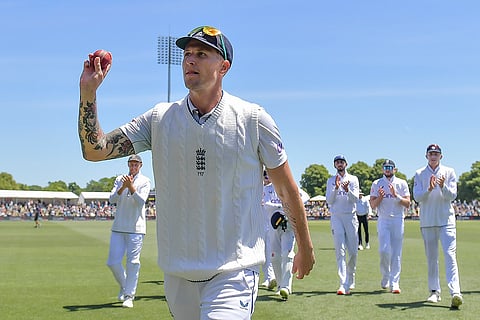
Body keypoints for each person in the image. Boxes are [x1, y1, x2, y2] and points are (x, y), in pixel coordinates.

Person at [78, 25, 315, 319]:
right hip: (178, 273)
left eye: (202, 54)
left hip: (234, 271)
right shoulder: (159, 119)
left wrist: (304, 245)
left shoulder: (254, 119)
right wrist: (88, 92)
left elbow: (286, 188)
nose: (190, 60)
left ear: (224, 66)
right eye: (187, 54)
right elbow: (95, 149)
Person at [413, 144, 463, 309]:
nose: (433, 156)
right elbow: (417, 197)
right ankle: (434, 291)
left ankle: (455, 292)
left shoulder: (449, 172)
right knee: (432, 259)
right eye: (431, 153)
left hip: (446, 220)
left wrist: (442, 186)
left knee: (450, 255)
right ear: (426, 156)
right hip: (428, 222)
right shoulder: (419, 173)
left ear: (441, 156)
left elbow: (452, 196)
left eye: (436, 153)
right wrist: (428, 189)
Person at [107, 154, 151, 308]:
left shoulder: (145, 181)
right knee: (112, 262)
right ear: (128, 165)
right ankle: (125, 285)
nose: (133, 167)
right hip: (119, 227)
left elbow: (140, 202)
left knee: (133, 262)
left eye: (136, 164)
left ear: (140, 165)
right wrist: (123, 187)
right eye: (131, 164)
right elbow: (112, 199)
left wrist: (131, 187)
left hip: (136, 228)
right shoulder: (120, 179)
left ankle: (129, 296)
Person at [369, 159, 410, 294]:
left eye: (390, 167)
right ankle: (386, 275)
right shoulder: (377, 183)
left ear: (395, 169)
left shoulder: (401, 183)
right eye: (385, 167)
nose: (388, 169)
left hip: (398, 219)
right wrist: (380, 197)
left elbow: (407, 203)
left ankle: (395, 282)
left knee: (396, 253)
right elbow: (373, 205)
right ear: (382, 170)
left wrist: (395, 195)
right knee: (384, 251)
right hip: (383, 220)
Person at [326, 155, 360, 295]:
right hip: (336, 217)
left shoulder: (353, 179)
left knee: (352, 251)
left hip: (350, 217)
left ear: (346, 164)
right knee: (339, 250)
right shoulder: (330, 180)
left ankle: (350, 277)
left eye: (341, 162)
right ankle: (343, 283)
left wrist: (347, 190)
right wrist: (336, 188)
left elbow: (355, 199)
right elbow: (329, 200)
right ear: (335, 165)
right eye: (337, 162)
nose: (339, 164)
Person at [262, 171, 296, 300]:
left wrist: (287, 209)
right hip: (273, 226)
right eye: (267, 174)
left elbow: (302, 197)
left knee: (287, 255)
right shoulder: (266, 189)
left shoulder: (287, 185)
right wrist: (282, 207)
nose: (269, 176)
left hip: (288, 225)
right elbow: (267, 204)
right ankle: (279, 285)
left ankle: (286, 287)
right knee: (275, 256)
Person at [260, 170, 277, 292]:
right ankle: (267, 277)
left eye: (268, 175)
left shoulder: (274, 188)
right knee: (261, 254)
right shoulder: (258, 188)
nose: (266, 177)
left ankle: (271, 277)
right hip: (259, 225)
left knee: (269, 252)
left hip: (270, 225)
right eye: (264, 175)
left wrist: (266, 204)